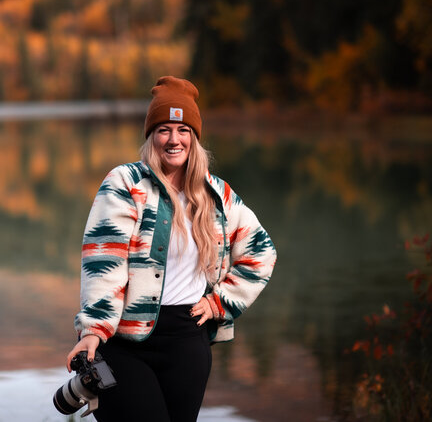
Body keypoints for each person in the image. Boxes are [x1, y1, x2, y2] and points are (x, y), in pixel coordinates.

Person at [65, 76, 277, 422]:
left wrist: (220, 302)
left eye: (183, 130)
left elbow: (262, 252)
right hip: (125, 342)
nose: (173, 139)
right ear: (151, 136)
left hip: (187, 342)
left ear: (194, 138)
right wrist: (92, 331)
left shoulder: (217, 195)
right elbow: (105, 259)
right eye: (164, 129)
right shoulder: (125, 183)